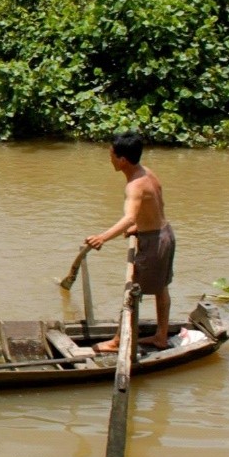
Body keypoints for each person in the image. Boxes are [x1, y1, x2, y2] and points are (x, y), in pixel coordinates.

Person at [84, 132, 175, 353]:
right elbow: (153, 206)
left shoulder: (134, 186)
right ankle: (161, 337)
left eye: (112, 155)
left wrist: (102, 237)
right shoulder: (147, 174)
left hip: (154, 242)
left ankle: (119, 341)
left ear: (122, 159)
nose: (110, 159)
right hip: (165, 234)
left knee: (132, 292)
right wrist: (139, 227)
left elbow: (130, 217)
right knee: (161, 289)